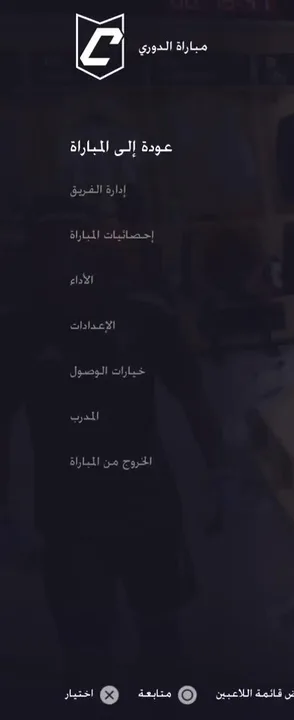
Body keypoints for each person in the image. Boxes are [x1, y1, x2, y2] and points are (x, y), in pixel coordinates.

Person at [1, 206, 226, 686]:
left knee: (161, 630)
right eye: (54, 253)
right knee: (85, 645)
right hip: (67, 509)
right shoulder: (22, 329)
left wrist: (218, 478)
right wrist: (7, 518)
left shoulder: (145, 316)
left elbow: (195, 401)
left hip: (146, 496)